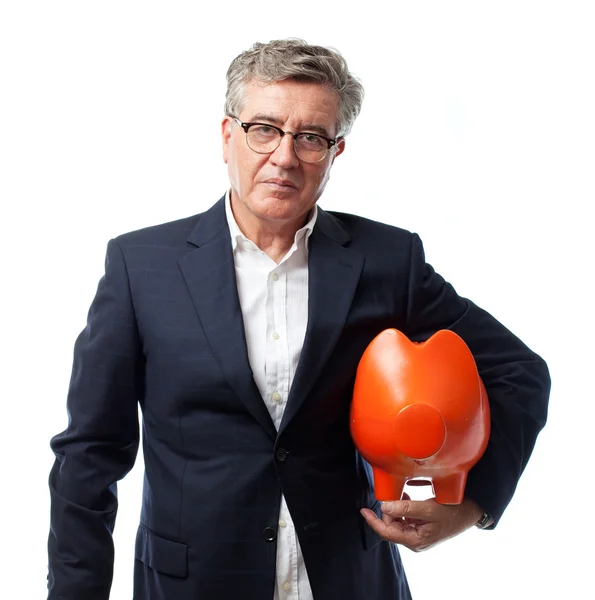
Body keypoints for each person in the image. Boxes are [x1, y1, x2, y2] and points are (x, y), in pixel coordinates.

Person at [47, 38, 550, 600]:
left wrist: (472, 507)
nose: (283, 157)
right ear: (227, 136)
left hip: (348, 582)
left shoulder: (387, 262)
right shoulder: (141, 267)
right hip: (192, 585)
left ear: (335, 153)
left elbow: (519, 371)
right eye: (264, 128)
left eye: (310, 137)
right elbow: (89, 455)